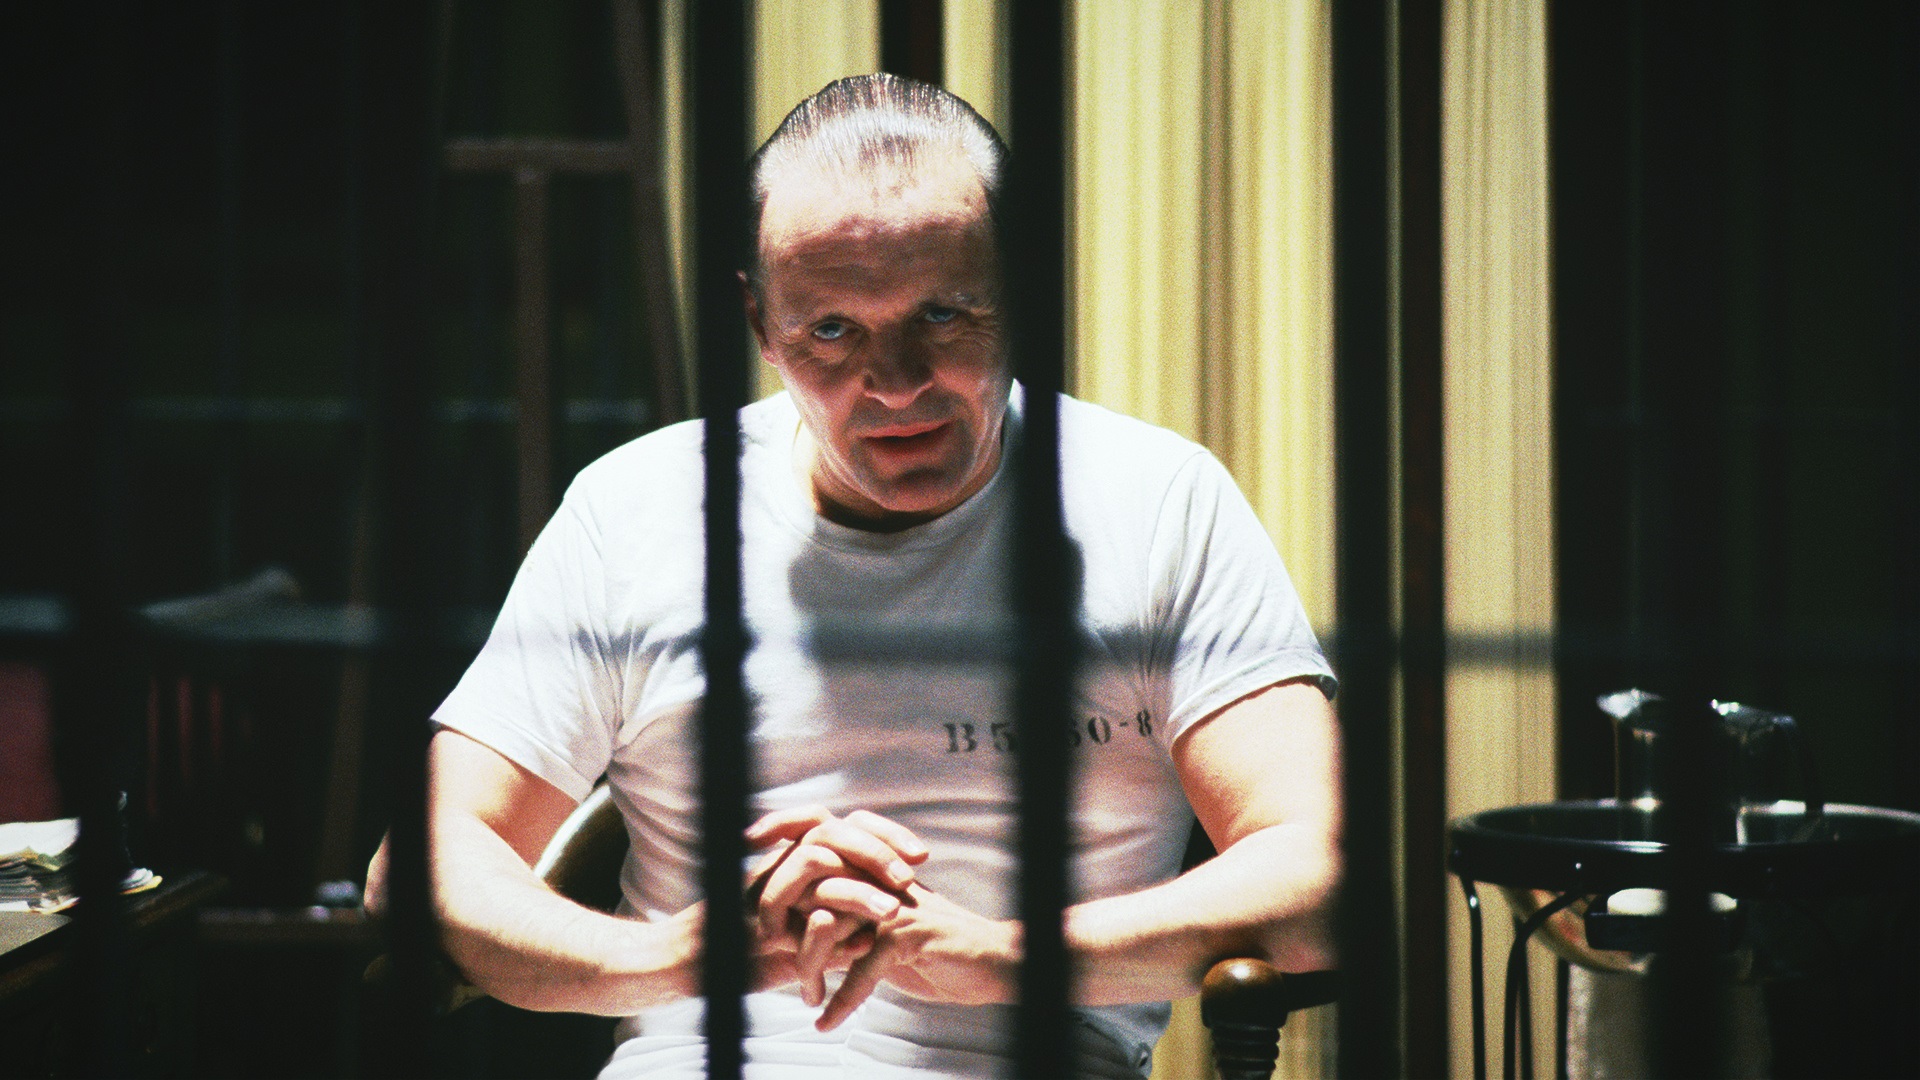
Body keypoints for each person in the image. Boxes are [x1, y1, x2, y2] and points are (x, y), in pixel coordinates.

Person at [366, 73, 1340, 1080]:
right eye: (831, 331)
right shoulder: (640, 509)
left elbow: (1327, 880)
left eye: (944, 316)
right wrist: (677, 958)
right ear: (760, 325)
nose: (897, 383)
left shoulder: (1156, 504)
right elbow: (419, 866)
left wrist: (995, 958)